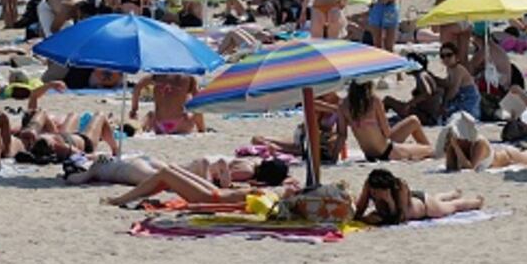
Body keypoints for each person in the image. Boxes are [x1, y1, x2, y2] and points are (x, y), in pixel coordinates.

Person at [102, 159, 293, 208]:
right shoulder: (271, 189)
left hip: (211, 198)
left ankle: (121, 199)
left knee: (166, 173)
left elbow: (243, 204)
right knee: (172, 168)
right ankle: (126, 198)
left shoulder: (274, 194)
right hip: (216, 193)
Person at [335, 81, 431, 162]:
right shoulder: (374, 100)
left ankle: (419, 148)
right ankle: (427, 150)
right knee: (429, 149)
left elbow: (342, 135)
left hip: (369, 155)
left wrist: (333, 157)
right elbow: (387, 133)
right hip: (388, 151)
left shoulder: (343, 105)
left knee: (413, 121)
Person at [353, 169, 483, 226]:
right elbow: (360, 209)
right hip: (413, 200)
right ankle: (451, 194)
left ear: (386, 189)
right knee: (437, 199)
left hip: (424, 206)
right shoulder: (370, 184)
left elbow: (400, 218)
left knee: (452, 207)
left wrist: (389, 201)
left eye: (377, 192)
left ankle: (477, 202)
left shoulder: (400, 187)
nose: (373, 195)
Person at [130, 73, 205, 135]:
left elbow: (137, 87)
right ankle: (202, 130)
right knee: (197, 112)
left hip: (158, 125)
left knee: (150, 114)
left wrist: (134, 109)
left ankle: (140, 128)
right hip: (181, 125)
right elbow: (198, 100)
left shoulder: (157, 75)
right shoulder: (188, 76)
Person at [434, 43, 481, 119]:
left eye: (449, 55)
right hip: (460, 99)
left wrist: (444, 105)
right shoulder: (450, 69)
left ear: (456, 56)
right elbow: (448, 83)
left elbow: (454, 90)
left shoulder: (458, 69)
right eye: (442, 56)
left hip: (468, 102)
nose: (446, 58)